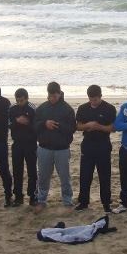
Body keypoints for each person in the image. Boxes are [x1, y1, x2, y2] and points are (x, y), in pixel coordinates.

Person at [34, 82, 76, 212]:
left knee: (64, 176)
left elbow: (72, 128)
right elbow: (34, 126)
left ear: (59, 93)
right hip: (44, 147)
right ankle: (41, 200)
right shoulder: (41, 108)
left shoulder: (67, 109)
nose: (52, 98)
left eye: (55, 95)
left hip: (62, 148)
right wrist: (44, 123)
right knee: (43, 176)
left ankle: (67, 200)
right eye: (50, 95)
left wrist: (58, 125)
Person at [75, 85, 117, 213]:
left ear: (100, 96)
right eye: (91, 99)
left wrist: (99, 127)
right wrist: (87, 125)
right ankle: (83, 202)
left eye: (95, 100)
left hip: (103, 145)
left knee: (104, 176)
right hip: (87, 145)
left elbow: (113, 128)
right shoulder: (83, 108)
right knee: (85, 175)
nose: (93, 102)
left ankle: (106, 203)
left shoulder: (109, 108)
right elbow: (77, 126)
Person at [8, 88, 37, 207]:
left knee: (32, 170)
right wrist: (17, 121)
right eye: (17, 100)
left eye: (21, 100)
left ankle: (32, 195)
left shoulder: (32, 108)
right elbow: (8, 124)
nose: (19, 102)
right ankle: (18, 196)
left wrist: (28, 123)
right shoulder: (12, 108)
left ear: (27, 98)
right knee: (17, 170)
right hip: (17, 143)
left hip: (30, 143)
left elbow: (37, 125)